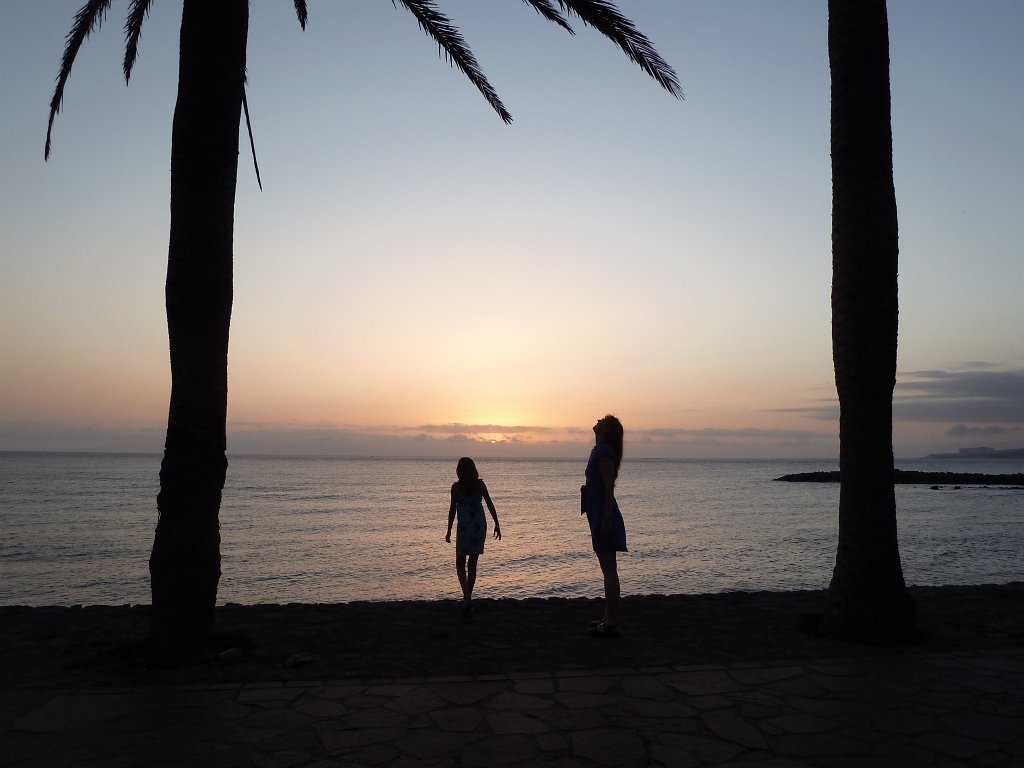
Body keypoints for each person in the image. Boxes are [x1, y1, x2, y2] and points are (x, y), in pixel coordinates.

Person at [581, 414, 627, 636]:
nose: (597, 420)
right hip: (598, 513)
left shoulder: (605, 452)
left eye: (602, 420)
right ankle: (608, 618)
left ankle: (611, 623)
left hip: (604, 515)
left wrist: (606, 518)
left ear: (607, 430)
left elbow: (609, 487)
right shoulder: (598, 451)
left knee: (609, 570)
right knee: (607, 569)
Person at [446, 457, 501, 614]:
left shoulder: (456, 488)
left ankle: (466, 596)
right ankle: (468, 597)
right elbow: (490, 503)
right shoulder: (480, 485)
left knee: (460, 561)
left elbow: (452, 510)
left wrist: (448, 530)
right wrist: (497, 523)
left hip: (464, 527)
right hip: (478, 526)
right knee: (472, 563)